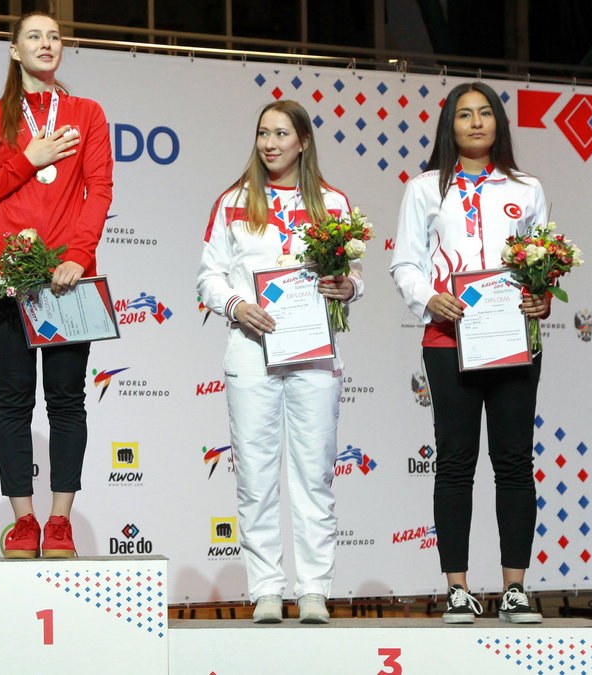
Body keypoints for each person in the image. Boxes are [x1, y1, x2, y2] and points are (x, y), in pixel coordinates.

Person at [197, 100, 361, 624]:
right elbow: (209, 277)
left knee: (314, 475)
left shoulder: (333, 204)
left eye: (282, 133)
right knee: (256, 476)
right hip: (251, 349)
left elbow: (356, 276)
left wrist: (347, 285)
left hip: (313, 355)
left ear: (303, 142)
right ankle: (266, 588)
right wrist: (236, 305)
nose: (270, 143)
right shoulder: (233, 201)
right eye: (263, 132)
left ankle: (313, 588)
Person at [390, 81, 548, 624]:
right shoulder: (424, 189)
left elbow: (541, 260)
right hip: (447, 340)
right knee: (455, 464)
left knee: (514, 462)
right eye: (464, 115)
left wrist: (540, 296)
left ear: (499, 124)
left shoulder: (527, 187)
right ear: (449, 126)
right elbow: (405, 264)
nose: (476, 122)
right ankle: (457, 588)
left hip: (512, 343)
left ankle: (515, 589)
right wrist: (429, 297)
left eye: (485, 113)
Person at [0, 11, 113, 559]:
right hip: (6, 279)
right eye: (34, 37)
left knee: (67, 402)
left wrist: (78, 255)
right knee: (13, 400)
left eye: (54, 37)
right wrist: (28, 160)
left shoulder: (86, 114)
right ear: (14, 51)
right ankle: (23, 520)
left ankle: (61, 520)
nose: (47, 44)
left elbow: (100, 191)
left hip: (68, 282)